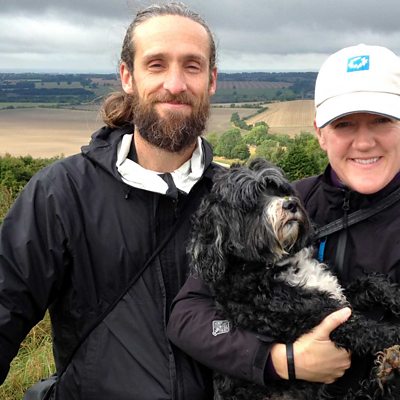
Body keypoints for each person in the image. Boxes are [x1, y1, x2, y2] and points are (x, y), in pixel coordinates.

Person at [0, 2, 219, 399]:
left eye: (192, 66)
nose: (175, 84)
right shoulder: (62, 193)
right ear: (127, 77)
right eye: (156, 64)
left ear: (212, 80)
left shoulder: (238, 199)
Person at [167, 43, 400, 395]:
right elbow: (188, 317)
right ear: (319, 132)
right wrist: (278, 360)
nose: (364, 142)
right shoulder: (283, 203)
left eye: (381, 120)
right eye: (344, 124)